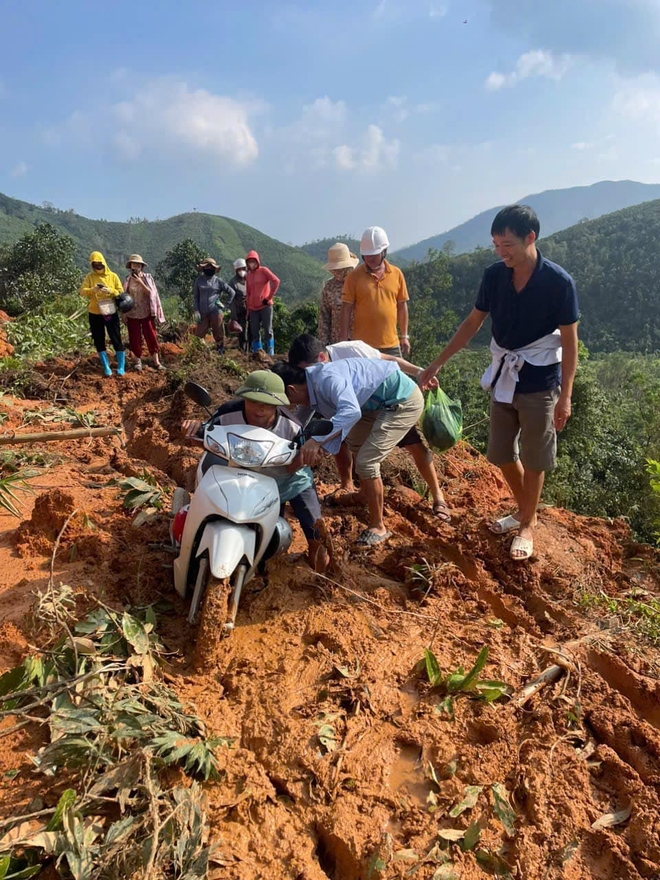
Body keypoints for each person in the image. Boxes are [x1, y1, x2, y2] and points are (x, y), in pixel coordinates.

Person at [419, 204, 579, 561]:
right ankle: (527, 511)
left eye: (507, 244)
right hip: (505, 376)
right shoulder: (495, 276)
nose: (501, 252)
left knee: (536, 457)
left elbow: (570, 343)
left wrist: (565, 396)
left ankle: (525, 525)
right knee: (501, 453)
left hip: (539, 380)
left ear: (530, 238)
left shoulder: (558, 282)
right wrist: (436, 363)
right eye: (495, 244)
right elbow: (473, 322)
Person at [288, 334, 450, 521]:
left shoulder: (350, 350)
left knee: (410, 444)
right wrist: (290, 437)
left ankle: (437, 496)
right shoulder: (317, 378)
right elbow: (308, 406)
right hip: (362, 407)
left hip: (392, 397)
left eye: (304, 372)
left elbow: (390, 360)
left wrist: (420, 372)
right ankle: (362, 492)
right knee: (352, 442)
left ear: (321, 358)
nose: (304, 378)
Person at [182, 370, 328, 573]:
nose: (259, 410)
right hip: (237, 473)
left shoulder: (292, 427)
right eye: (253, 401)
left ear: (279, 405)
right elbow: (206, 438)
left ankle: (321, 575)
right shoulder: (226, 414)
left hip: (284, 478)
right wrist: (194, 428)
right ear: (244, 398)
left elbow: (292, 465)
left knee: (315, 530)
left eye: (267, 404)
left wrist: (307, 458)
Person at [272, 357, 424, 547]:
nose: (285, 406)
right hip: (371, 406)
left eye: (282, 400)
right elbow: (298, 423)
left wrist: (316, 442)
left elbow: (351, 412)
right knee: (356, 447)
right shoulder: (309, 386)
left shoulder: (327, 380)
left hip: (401, 400)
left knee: (367, 461)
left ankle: (378, 527)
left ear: (291, 390)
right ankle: (364, 496)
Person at [340, 226, 410, 357]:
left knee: (395, 377)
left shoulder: (396, 274)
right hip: (363, 347)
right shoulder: (354, 277)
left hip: (391, 346)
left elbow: (402, 306)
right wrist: (343, 343)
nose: (370, 258)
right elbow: (346, 309)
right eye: (367, 255)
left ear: (384, 251)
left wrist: (405, 336)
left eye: (374, 254)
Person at [80, 251, 126, 377]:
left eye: (99, 264)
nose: (98, 266)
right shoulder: (90, 277)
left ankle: (121, 366)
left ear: (104, 263)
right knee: (98, 339)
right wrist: (92, 290)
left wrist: (110, 291)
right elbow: (82, 292)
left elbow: (120, 292)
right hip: (95, 312)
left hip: (109, 311)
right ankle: (106, 366)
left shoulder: (113, 276)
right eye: (95, 264)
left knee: (115, 337)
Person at [122, 254, 166, 371]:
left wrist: (140, 282)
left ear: (141, 266)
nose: (135, 267)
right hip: (132, 312)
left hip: (146, 311)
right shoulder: (127, 280)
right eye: (133, 264)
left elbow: (152, 294)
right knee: (134, 337)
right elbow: (124, 297)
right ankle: (137, 362)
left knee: (151, 336)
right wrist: (124, 313)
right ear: (130, 266)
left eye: (137, 265)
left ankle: (156, 362)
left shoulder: (147, 278)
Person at [317, 242, 358, 345]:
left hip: (361, 341)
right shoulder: (329, 287)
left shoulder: (360, 282)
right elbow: (324, 317)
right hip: (337, 344)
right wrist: (324, 344)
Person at [193, 258, 236, 355]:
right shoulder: (198, 281)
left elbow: (232, 292)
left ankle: (220, 352)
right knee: (199, 334)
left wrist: (225, 305)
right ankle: (201, 354)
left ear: (214, 268)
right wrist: (196, 310)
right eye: (207, 266)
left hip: (215, 312)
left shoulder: (218, 281)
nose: (209, 268)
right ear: (203, 268)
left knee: (218, 332)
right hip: (202, 313)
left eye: (211, 267)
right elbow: (196, 297)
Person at [245, 250, 280, 356]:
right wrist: (248, 311)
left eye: (253, 261)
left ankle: (270, 352)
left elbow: (276, 281)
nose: (251, 263)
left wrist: (268, 297)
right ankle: (258, 353)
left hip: (265, 305)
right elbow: (248, 293)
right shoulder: (248, 276)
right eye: (249, 261)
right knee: (255, 331)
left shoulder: (264, 270)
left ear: (257, 261)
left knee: (268, 329)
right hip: (253, 308)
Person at [228, 258, 249, 352]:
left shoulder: (249, 279)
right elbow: (231, 300)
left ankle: (253, 350)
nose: (242, 271)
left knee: (253, 331)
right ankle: (243, 351)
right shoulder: (232, 283)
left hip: (251, 309)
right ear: (236, 270)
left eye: (243, 269)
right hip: (240, 311)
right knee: (243, 332)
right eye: (239, 269)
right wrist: (234, 316)